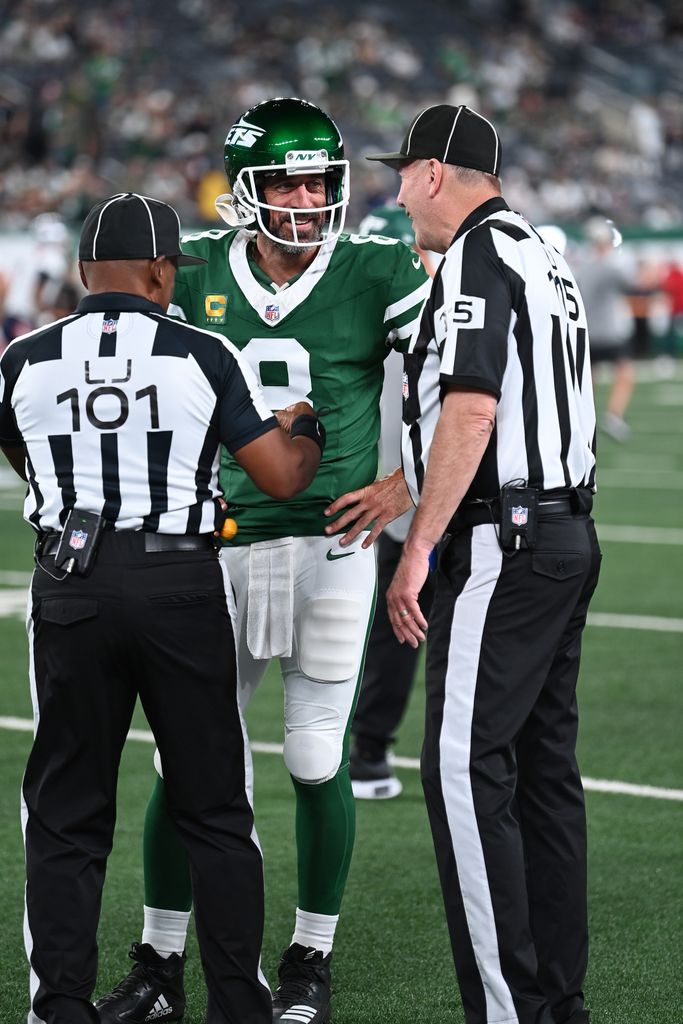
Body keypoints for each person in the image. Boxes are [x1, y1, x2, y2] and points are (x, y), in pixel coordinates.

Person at [96, 98, 430, 1024]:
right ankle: (162, 959)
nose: (304, 195)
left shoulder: (374, 268)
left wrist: (404, 482)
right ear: (245, 187)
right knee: (183, 763)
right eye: (285, 178)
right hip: (214, 549)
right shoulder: (192, 265)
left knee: (318, 756)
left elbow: (456, 373)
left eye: (319, 179)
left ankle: (309, 957)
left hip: (333, 543)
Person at [0, 191, 325, 1024]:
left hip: (72, 584)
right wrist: (305, 425)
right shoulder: (203, 351)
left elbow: (28, 463)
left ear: (80, 272)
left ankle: (62, 1007)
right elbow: (282, 477)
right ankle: (235, 1007)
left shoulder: (23, 358)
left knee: (67, 814)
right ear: (160, 270)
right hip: (180, 584)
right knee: (213, 808)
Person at [327, 104, 602, 1024]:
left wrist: (418, 553)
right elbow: (497, 410)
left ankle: (509, 1009)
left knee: (460, 770)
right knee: (542, 774)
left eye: (404, 173)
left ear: (437, 172)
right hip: (561, 531)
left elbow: (474, 410)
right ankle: (557, 1001)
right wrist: (407, 488)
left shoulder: (479, 255)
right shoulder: (542, 253)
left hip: (506, 542)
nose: (397, 191)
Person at [349, 204, 436, 799]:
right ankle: (369, 749)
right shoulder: (412, 310)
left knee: (394, 622)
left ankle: (369, 747)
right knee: (397, 622)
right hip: (390, 489)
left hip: (398, 486)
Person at [575, 216, 635, 441]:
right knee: (625, 373)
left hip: (589, 329)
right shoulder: (607, 265)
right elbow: (631, 280)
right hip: (609, 331)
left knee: (590, 378)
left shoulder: (584, 265)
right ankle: (614, 416)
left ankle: (581, 418)